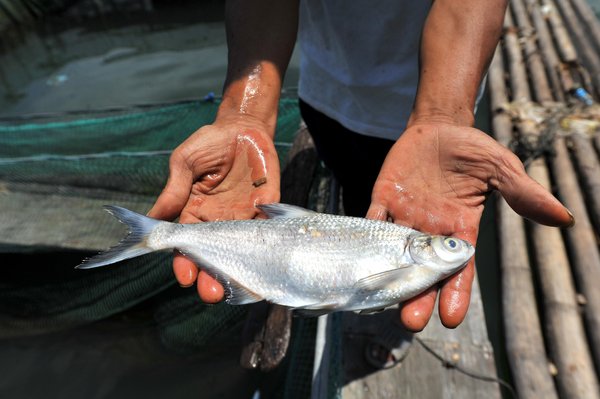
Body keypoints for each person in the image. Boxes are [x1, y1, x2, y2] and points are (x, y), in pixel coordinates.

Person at [148, 0, 574, 332]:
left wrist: (443, 114)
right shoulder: (412, 252)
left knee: (377, 208)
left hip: (433, 102)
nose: (456, 248)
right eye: (447, 246)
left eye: (447, 246)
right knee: (357, 190)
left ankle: (381, 322)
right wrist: (245, 114)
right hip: (327, 91)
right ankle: (372, 318)